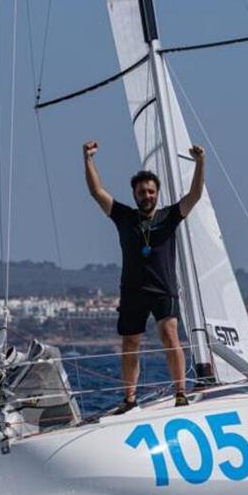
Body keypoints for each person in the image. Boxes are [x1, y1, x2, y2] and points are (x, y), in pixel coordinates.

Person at [83, 139, 205, 412]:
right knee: (130, 342)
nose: (147, 196)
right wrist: (88, 159)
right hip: (133, 290)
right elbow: (96, 191)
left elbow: (194, 196)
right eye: (142, 192)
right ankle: (129, 399)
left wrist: (200, 163)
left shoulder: (170, 216)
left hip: (163, 288)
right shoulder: (124, 216)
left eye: (151, 191)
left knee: (169, 333)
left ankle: (181, 392)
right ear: (135, 194)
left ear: (157, 193)